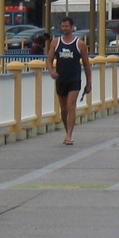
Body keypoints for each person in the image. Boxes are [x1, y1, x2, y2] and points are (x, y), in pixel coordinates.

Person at [46, 17, 91, 145]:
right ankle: (67, 131)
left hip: (74, 78)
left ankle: (69, 135)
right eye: (63, 26)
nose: (65, 28)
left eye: (67, 26)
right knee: (64, 108)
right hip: (61, 79)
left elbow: (86, 64)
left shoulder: (80, 44)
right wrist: (51, 71)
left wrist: (89, 83)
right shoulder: (55, 42)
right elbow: (49, 59)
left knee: (71, 105)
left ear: (72, 27)